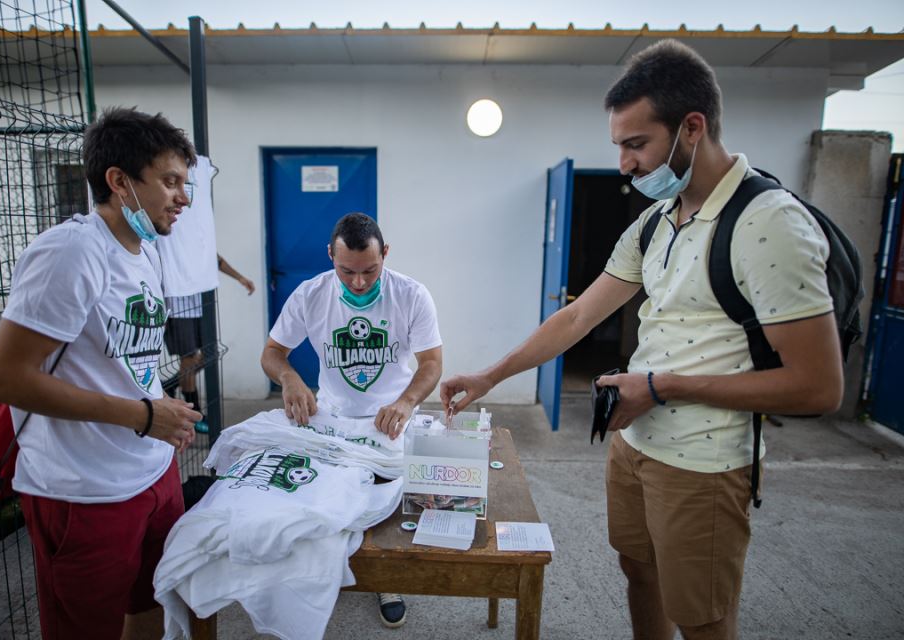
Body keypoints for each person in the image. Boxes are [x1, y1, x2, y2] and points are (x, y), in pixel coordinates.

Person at [440, 40, 843, 640]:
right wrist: (489, 376)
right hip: (635, 445)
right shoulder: (659, 219)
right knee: (638, 570)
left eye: (636, 144)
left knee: (702, 618)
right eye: (619, 147)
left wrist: (661, 386)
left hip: (704, 464)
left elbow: (818, 387)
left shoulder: (769, 223)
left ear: (692, 127)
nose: (625, 163)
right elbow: (576, 318)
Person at [0, 107, 203, 640]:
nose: (184, 198)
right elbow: (3, 378)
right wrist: (142, 414)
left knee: (154, 602)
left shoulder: (144, 251)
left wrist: (160, 417)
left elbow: (122, 364)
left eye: (185, 183)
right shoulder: (72, 251)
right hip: (84, 491)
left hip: (150, 474)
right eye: (170, 181)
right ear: (119, 181)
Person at [261, 212, 442, 628]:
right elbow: (273, 353)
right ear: (330, 256)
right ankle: (326, 573)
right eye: (347, 271)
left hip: (388, 419)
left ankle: (384, 579)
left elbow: (432, 362)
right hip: (333, 417)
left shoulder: (411, 295)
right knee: (326, 499)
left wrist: (407, 401)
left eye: (369, 271)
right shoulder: (310, 294)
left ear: (386, 255)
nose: (359, 283)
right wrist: (289, 378)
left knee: (384, 502)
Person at [164, 254, 255, 433]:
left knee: (210, 353)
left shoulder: (197, 238)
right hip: (178, 308)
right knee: (188, 359)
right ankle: (194, 411)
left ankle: (172, 384)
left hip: (201, 305)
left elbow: (217, 260)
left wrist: (240, 278)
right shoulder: (168, 239)